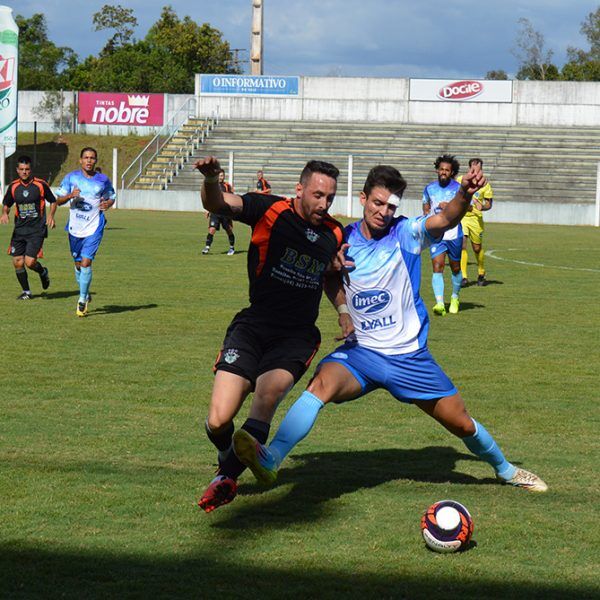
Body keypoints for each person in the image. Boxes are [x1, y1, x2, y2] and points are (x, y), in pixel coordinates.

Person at [234, 164, 547, 494]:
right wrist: (343, 311)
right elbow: (328, 277)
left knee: (462, 423)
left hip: (409, 357)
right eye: (377, 203)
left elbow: (446, 219)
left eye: (391, 206)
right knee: (321, 384)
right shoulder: (342, 239)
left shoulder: (408, 233)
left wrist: (464, 194)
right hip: (362, 353)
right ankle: (272, 460)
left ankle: (506, 469)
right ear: (363, 198)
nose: (384, 212)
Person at [193, 156, 349, 512]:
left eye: (330, 198)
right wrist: (213, 179)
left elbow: (329, 274)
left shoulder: (334, 232)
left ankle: (225, 479)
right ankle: (225, 455)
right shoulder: (269, 209)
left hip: (296, 337)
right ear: (299, 189)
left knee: (266, 397)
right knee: (219, 419)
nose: (323, 205)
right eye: (317, 195)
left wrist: (343, 312)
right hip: (253, 327)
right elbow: (218, 204)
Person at [55, 147, 116, 317]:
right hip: (75, 227)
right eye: (86, 158)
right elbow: (57, 200)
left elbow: (111, 196)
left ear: (95, 161)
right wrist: (69, 196)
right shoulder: (71, 178)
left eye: (92, 158)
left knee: (86, 262)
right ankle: (86, 292)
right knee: (77, 264)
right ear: (80, 160)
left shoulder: (102, 180)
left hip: (94, 226)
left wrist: (108, 204)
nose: (89, 161)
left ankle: (82, 300)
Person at [1, 155, 56, 299]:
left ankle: (43, 272)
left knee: (30, 262)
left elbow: (53, 201)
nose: (24, 172)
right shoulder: (13, 187)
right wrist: (4, 213)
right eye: (21, 169)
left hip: (36, 230)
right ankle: (26, 292)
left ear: (31, 170)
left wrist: (50, 216)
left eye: (27, 169)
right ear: (17, 170)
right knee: (17, 262)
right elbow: (6, 203)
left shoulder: (40, 184)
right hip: (19, 230)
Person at [422, 155, 463, 316]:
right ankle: (440, 303)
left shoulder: (459, 189)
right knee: (437, 267)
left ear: (452, 172)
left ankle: (454, 297)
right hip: (436, 233)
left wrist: (451, 206)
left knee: (455, 268)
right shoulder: (429, 188)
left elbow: (468, 207)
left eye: (447, 170)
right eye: (441, 169)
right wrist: (426, 212)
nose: (443, 172)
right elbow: (425, 202)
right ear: (437, 170)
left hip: (453, 233)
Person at [458, 158, 494, 287]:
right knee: (462, 244)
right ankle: (463, 277)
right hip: (462, 217)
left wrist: (482, 207)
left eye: (478, 168)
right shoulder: (461, 179)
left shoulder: (485, 185)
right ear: (470, 168)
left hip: (475, 219)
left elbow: (489, 204)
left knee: (477, 248)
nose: (476, 170)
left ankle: (481, 272)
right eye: (473, 167)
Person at [202, 169, 236, 256]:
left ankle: (231, 248)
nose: (221, 177)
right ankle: (207, 247)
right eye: (220, 175)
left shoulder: (227, 186)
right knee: (212, 229)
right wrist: (207, 209)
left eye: (222, 175)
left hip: (225, 212)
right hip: (215, 211)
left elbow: (232, 197)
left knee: (229, 230)